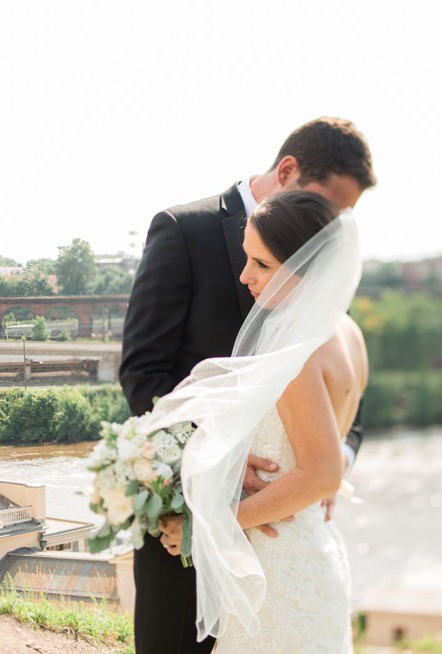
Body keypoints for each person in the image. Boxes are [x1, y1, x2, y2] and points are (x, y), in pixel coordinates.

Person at [119, 117, 375, 654]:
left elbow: (342, 419)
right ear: (288, 171)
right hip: (197, 527)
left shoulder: (317, 313)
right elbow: (144, 374)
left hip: (276, 541)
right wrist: (213, 471)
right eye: (330, 204)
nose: (332, 227)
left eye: (342, 218)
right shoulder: (182, 230)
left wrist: (324, 474)